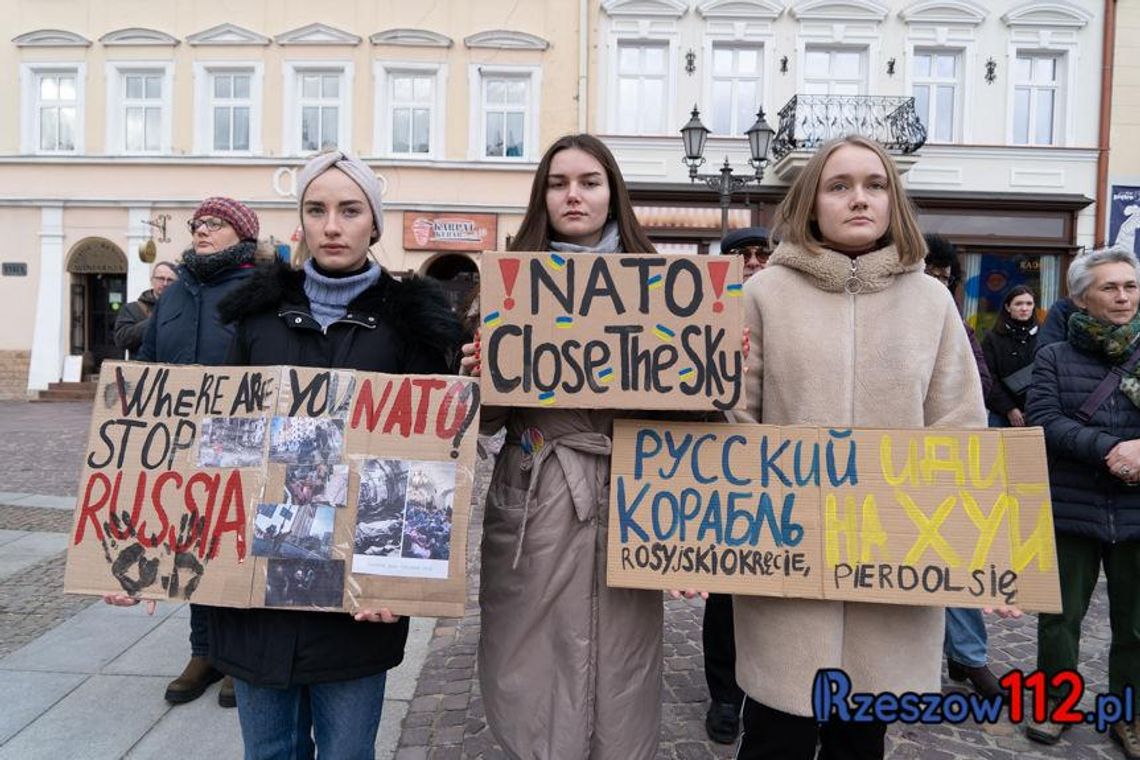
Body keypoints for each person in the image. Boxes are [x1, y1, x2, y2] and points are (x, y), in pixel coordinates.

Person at [736, 135, 988, 759]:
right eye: (839, 185)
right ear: (811, 202)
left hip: (893, 569)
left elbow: (960, 427)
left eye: (875, 185)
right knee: (775, 738)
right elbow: (734, 418)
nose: (859, 199)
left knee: (861, 740)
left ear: (893, 201)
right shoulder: (764, 294)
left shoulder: (931, 300)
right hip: (786, 562)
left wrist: (984, 556)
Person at [213, 150, 461, 760]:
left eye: (350, 210)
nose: (332, 225)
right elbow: (218, 444)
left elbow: (425, 465)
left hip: (358, 596)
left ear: (373, 223)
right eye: (316, 209)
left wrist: (396, 579)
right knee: (268, 753)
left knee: (348, 753)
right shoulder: (253, 315)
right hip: (260, 592)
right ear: (300, 220)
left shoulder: (414, 323)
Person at [460, 134, 670, 759]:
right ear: (541, 195)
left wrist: (711, 366)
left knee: (625, 657)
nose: (573, 195)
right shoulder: (507, 283)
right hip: (537, 484)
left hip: (634, 490)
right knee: (527, 652)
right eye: (558, 183)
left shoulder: (662, 281)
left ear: (614, 193)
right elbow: (489, 422)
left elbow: (695, 413)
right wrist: (477, 377)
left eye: (589, 182)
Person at [106, 196, 262, 709]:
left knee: (234, 541)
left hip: (240, 440)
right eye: (199, 223)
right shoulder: (174, 294)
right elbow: (148, 360)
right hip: (177, 442)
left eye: (215, 223)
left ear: (241, 234)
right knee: (189, 539)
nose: (202, 230)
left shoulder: (259, 290)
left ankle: (240, 657)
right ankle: (205, 651)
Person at [1025, 247, 1140, 756]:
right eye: (1110, 287)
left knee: (1135, 625)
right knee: (1060, 618)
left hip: (1136, 512)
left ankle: (1128, 714)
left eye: (1130, 286)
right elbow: (1045, 421)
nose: (1123, 296)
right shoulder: (1053, 356)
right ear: (1081, 298)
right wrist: (1110, 449)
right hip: (1071, 505)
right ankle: (1056, 702)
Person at [700, 226, 771, 744]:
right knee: (726, 588)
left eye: (760, 253)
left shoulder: (791, 303)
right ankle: (725, 695)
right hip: (724, 461)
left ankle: (774, 687)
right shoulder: (703, 305)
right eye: (741, 254)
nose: (751, 261)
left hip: (786, 460)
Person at [922, 234, 1001, 700]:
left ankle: (969, 656)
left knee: (952, 560)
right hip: (881, 466)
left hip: (941, 464)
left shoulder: (960, 328)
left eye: (945, 280)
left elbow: (980, 387)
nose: (938, 286)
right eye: (930, 276)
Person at [981, 285, 1039, 428]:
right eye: (1018, 304)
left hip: (1037, 412)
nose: (1024, 308)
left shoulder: (1043, 336)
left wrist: (1034, 408)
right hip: (1001, 414)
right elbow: (988, 378)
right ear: (1008, 307)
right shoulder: (992, 339)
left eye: (1029, 303)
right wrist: (1009, 409)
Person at [114, 261, 178, 354]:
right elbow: (121, 341)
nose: (165, 283)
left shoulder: (183, 309)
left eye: (170, 280)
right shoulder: (132, 309)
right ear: (152, 280)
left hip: (174, 366)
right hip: (143, 367)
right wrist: (154, 320)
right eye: (160, 278)